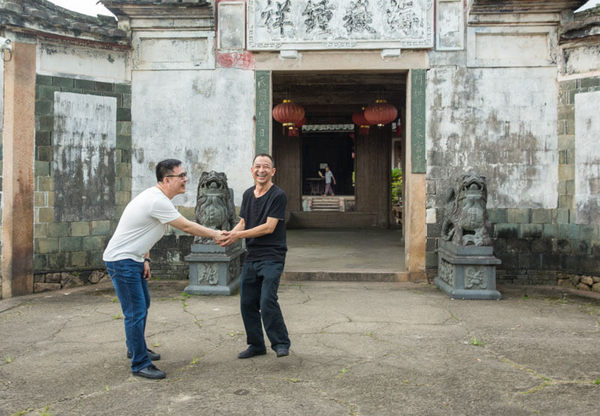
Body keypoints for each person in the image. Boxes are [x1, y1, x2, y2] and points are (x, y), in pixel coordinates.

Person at [103, 159, 223, 380]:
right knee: (135, 311)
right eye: (182, 176)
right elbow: (186, 226)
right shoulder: (156, 201)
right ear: (167, 180)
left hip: (133, 259)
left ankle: (135, 347)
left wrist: (146, 260)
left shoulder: (157, 198)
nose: (186, 179)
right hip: (123, 261)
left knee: (141, 305)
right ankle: (139, 363)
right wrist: (215, 234)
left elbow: (141, 231)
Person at [218, 154, 291, 359]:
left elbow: (269, 227)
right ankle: (256, 345)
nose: (261, 170)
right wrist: (228, 235)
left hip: (272, 255)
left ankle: (281, 343)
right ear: (252, 170)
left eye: (266, 167)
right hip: (252, 255)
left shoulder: (278, 195)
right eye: (257, 166)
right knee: (247, 302)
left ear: (273, 171)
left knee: (267, 299)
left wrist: (237, 235)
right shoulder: (248, 194)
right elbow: (243, 222)